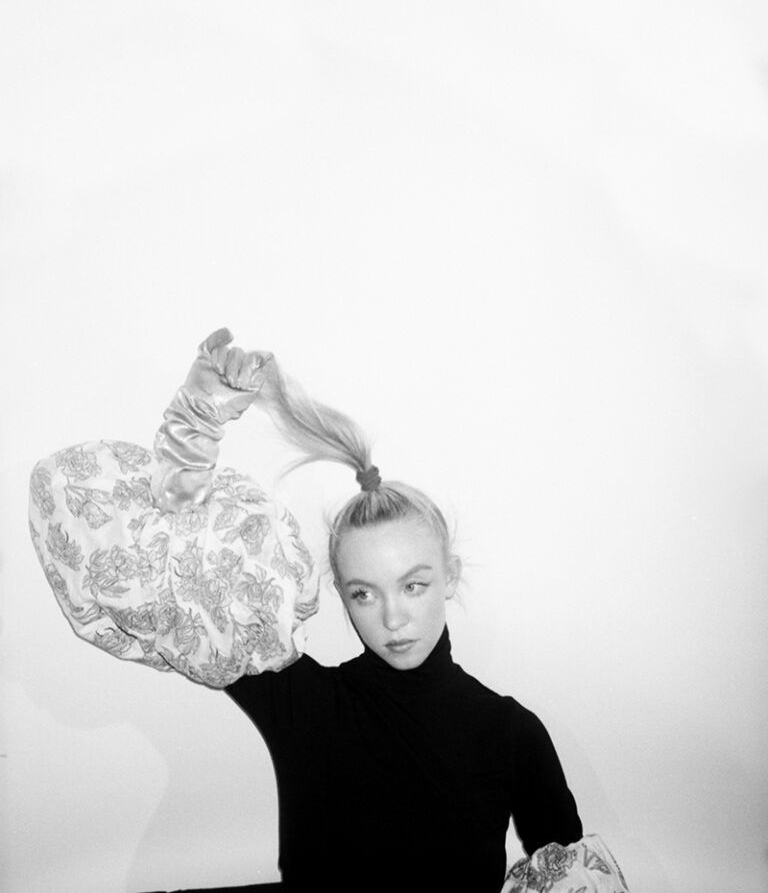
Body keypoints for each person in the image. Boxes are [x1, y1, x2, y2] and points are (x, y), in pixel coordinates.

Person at [30, 329, 629, 893]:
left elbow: (575, 882)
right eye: (364, 593)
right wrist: (197, 421)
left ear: (449, 576)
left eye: (414, 585)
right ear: (340, 592)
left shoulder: (512, 733)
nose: (392, 618)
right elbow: (155, 560)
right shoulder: (302, 701)